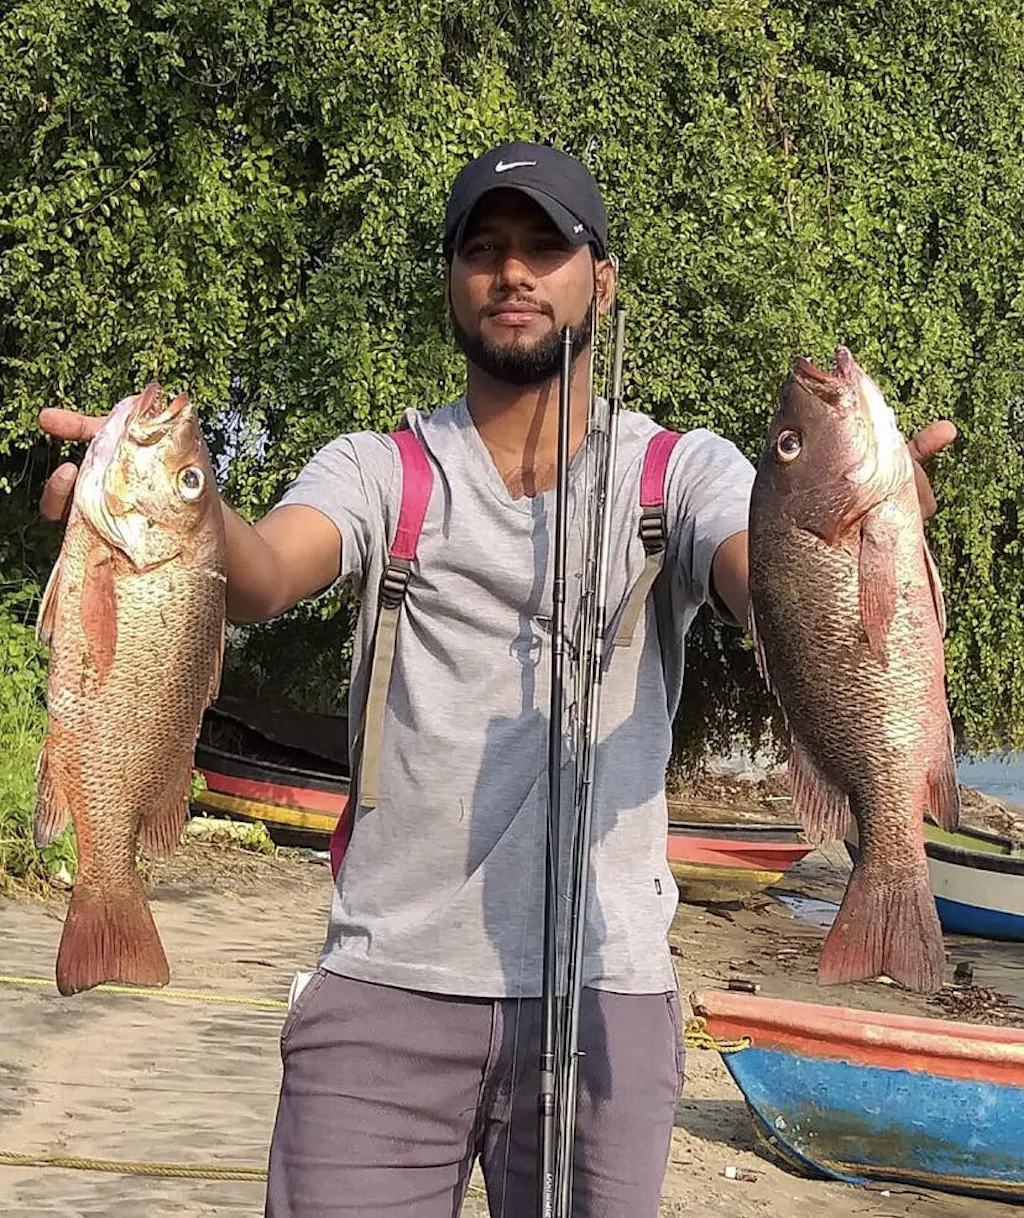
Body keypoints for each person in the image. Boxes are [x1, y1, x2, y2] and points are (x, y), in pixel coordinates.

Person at [38, 141, 956, 1218]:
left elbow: (767, 591)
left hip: (604, 996)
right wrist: (170, 508)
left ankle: (891, 881)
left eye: (544, 247)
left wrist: (851, 553)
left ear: (600, 280)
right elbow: (264, 575)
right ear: (451, 282)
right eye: (483, 249)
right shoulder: (380, 469)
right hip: (385, 988)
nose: (512, 272)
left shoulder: (682, 472)